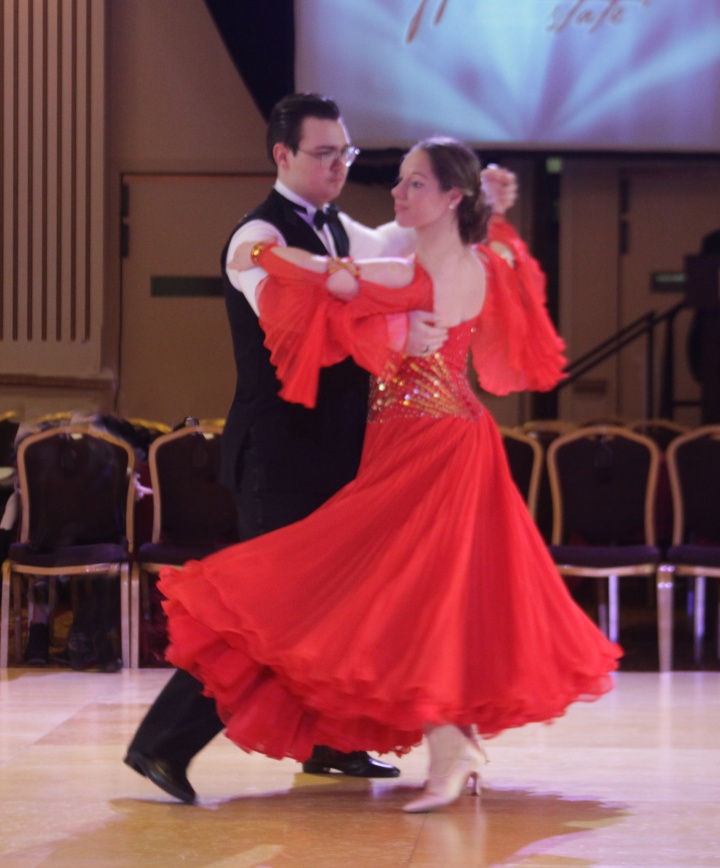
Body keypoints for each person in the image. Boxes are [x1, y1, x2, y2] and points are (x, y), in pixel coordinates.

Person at [156, 136, 621, 814]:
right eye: (400, 183)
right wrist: (490, 210)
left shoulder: (410, 276)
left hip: (422, 446)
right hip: (456, 436)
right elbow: (459, 265)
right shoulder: (483, 262)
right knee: (431, 593)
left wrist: (253, 252)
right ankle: (452, 739)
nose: (398, 195)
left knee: (403, 590)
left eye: (414, 185)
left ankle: (449, 743)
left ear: (450, 198)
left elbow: (322, 278)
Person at [124, 93, 449, 802]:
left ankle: (333, 743)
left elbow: (398, 249)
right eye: (325, 154)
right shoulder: (253, 240)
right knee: (268, 609)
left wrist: (461, 209)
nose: (340, 166)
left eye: (347, 154)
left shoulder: (337, 226)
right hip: (275, 452)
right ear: (282, 155)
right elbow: (315, 313)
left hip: (333, 451)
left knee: (340, 601)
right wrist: (390, 320)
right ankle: (160, 744)